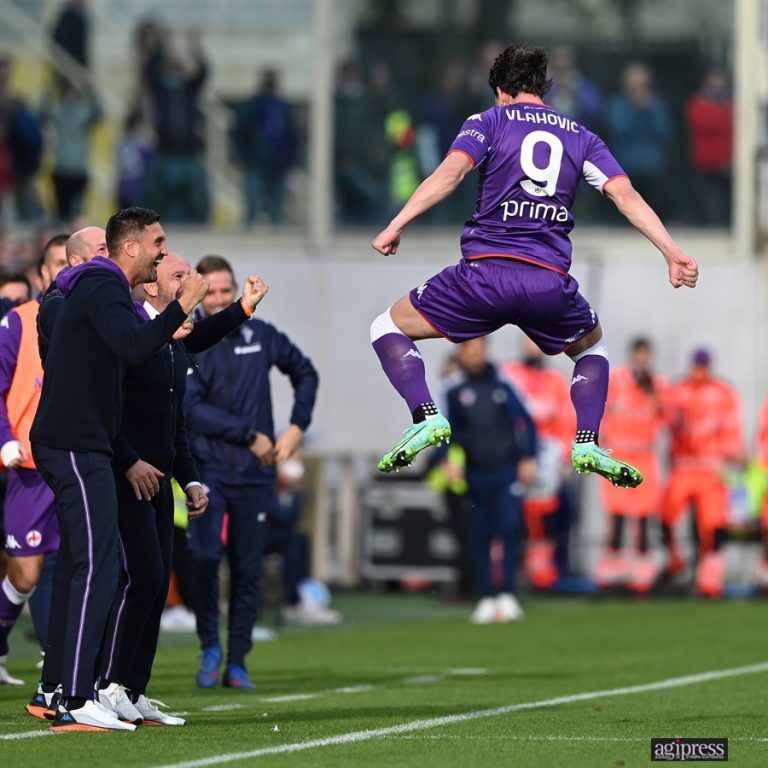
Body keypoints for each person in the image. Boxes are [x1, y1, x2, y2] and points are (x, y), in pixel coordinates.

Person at [369, 44, 698, 487]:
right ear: (543, 88)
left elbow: (450, 174)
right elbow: (626, 196)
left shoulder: (487, 122)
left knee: (386, 327)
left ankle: (426, 415)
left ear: (501, 91)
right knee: (593, 351)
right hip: (548, 283)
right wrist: (671, 251)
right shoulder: (581, 136)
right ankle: (586, 440)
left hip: (483, 277)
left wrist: (397, 224)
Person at [26, 207, 208, 732]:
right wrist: (183, 308)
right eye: (158, 241)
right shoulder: (103, 286)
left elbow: (136, 347)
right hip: (76, 444)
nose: (162, 250)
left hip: (87, 444)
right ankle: (76, 696)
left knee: (96, 567)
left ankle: (63, 689)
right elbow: (134, 349)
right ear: (129, 248)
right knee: (97, 569)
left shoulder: (106, 291)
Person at [94, 251, 268, 725]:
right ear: (151, 288)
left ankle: (132, 689)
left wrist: (188, 477)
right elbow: (109, 413)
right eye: (180, 276)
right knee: (139, 579)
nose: (191, 282)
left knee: (151, 583)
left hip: (158, 481)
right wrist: (130, 461)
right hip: (125, 475)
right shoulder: (134, 333)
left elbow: (176, 423)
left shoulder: (173, 339)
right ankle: (105, 686)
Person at [185, 254, 318, 689]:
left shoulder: (260, 334)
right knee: (205, 558)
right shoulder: (188, 339)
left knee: (248, 568)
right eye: (213, 292)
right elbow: (193, 410)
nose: (220, 299)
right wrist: (249, 435)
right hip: (208, 470)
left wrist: (297, 426)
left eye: (227, 291)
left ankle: (237, 660)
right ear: (200, 294)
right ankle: (209, 645)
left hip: (254, 474)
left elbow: (305, 372)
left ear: (238, 289)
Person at [0, 234, 68, 688]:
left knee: (86, 569)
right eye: (58, 264)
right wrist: (6, 439)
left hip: (82, 462)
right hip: (29, 467)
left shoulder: (102, 319)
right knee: (24, 572)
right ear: (42, 274)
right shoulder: (19, 322)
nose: (66, 271)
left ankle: (71, 666)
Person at [442, 337, 537, 623]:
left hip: (506, 470)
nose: (475, 355)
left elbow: (526, 422)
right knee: (479, 534)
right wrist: (447, 460)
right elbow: (448, 430)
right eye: (469, 350)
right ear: (461, 353)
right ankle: (486, 596)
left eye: (479, 350)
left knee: (508, 529)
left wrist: (528, 457)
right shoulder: (455, 391)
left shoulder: (502, 385)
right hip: (475, 472)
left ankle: (507, 594)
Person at [662, 348, 744, 597]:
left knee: (713, 525)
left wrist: (732, 457)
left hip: (711, 469)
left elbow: (731, 429)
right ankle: (676, 562)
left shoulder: (723, 392)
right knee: (666, 516)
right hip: (685, 467)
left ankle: (709, 578)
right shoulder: (678, 390)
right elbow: (667, 420)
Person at [593, 337, 668, 593]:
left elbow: (669, 416)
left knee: (645, 513)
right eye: (638, 354)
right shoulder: (616, 381)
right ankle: (612, 569)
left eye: (646, 355)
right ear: (631, 355)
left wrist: (654, 394)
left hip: (644, 455)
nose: (642, 360)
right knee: (617, 513)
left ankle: (642, 571)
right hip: (619, 455)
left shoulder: (657, 384)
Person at [502, 338, 574, 589]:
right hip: (514, 455)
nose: (534, 347)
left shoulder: (555, 381)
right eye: (529, 342)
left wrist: (565, 458)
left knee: (545, 513)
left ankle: (541, 566)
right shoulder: (509, 375)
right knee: (509, 510)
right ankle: (508, 565)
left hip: (547, 459)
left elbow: (566, 420)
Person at [231, 68, 298, 226]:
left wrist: (291, 158)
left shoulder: (283, 107)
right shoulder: (252, 106)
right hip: (256, 163)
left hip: (279, 163)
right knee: (253, 206)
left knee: (277, 210)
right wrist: (245, 157)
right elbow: (239, 133)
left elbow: (292, 135)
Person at [684, 66, 732, 227]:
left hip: (727, 162)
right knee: (706, 197)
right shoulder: (697, 103)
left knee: (726, 199)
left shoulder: (731, 104)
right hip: (704, 161)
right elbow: (702, 124)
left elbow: (735, 126)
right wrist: (720, 113)